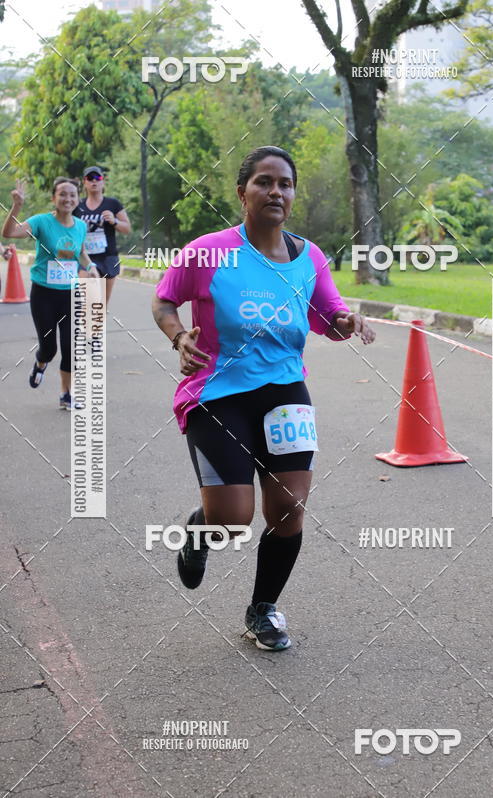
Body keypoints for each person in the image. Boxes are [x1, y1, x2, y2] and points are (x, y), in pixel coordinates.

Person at [152, 145, 375, 651]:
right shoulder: (208, 251)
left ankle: (263, 610)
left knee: (290, 508)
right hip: (218, 393)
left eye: (286, 184)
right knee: (232, 521)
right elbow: (165, 299)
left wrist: (345, 321)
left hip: (285, 392)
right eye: (264, 182)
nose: (276, 191)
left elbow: (330, 313)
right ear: (242, 193)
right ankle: (200, 529)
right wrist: (177, 334)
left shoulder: (309, 257)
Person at [2, 177, 98, 409]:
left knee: (70, 347)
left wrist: (91, 266)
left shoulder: (81, 226)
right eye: (63, 194)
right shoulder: (41, 222)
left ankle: (66, 395)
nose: (68, 198)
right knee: (49, 347)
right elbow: (9, 233)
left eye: (73, 194)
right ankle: (40, 364)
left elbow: (81, 252)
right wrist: (17, 205)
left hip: (70, 294)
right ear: (54, 198)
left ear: (77, 199)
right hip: (43, 294)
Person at [73, 166, 131, 305]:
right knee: (87, 301)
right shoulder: (77, 205)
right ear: (84, 182)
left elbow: (127, 228)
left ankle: (95, 326)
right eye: (90, 178)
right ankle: (86, 325)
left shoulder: (112, 204)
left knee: (101, 304)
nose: (94, 181)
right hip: (85, 257)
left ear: (103, 181)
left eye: (97, 178)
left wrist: (114, 221)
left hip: (108, 257)